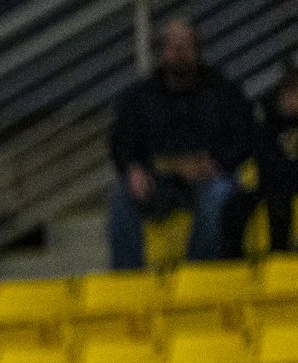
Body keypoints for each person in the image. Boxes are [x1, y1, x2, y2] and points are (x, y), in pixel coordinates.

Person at [106, 16, 254, 269]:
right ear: (162, 51)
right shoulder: (139, 96)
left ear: (197, 49)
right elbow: (121, 142)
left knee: (220, 194)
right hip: (159, 180)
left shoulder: (223, 90)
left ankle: (193, 277)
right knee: (121, 196)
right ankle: (129, 282)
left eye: (185, 45)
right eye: (173, 46)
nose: (179, 52)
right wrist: (133, 169)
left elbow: (246, 136)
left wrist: (218, 162)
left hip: (208, 177)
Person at [230, 64, 298, 254]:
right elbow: (262, 158)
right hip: (270, 181)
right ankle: (233, 262)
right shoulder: (264, 117)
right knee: (236, 206)